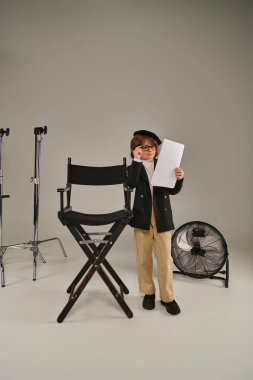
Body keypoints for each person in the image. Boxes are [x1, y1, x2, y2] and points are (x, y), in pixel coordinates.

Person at [127, 130, 184, 315]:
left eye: (152, 146)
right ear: (136, 150)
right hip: (142, 216)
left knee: (165, 259)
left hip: (162, 216)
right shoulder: (133, 167)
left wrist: (179, 178)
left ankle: (168, 297)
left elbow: (174, 191)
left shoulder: (164, 164)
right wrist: (136, 161)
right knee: (143, 258)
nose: (150, 150)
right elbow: (130, 184)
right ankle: (148, 293)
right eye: (145, 147)